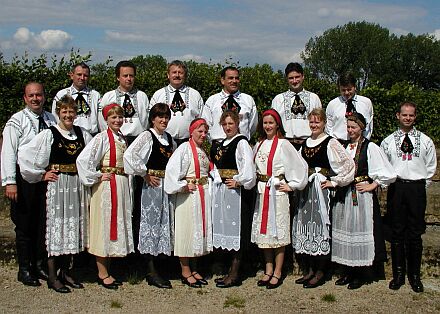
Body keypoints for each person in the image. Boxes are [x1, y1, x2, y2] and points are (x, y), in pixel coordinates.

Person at [19, 95, 92, 293]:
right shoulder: (49, 134)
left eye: (72, 111)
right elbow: (25, 155)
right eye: (65, 111)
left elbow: (91, 157)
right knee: (56, 228)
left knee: (74, 226)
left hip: (76, 185)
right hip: (58, 185)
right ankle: (52, 276)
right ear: (58, 112)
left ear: (76, 114)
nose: (68, 115)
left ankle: (67, 272)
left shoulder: (82, 133)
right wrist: (41, 174)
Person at [331, 113, 396, 289]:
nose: (350, 130)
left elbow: (387, 172)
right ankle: (347, 271)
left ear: (361, 127)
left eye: (354, 127)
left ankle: (360, 273)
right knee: (346, 230)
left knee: (359, 230)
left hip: (361, 195)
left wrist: (372, 185)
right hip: (345, 193)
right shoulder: (343, 147)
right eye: (348, 127)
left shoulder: (370, 147)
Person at [1, 82, 56, 286]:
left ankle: (39, 264)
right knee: (24, 224)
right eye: (31, 95)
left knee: (43, 222)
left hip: (46, 176)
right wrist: (10, 183)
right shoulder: (16, 121)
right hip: (24, 179)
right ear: (25, 98)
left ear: (44, 96)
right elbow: (8, 152)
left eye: (39, 95)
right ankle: (24, 268)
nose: (35, 99)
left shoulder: (51, 118)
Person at [292, 108, 354, 289]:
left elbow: (348, 165)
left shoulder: (330, 142)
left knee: (320, 228)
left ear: (324, 123)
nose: (314, 124)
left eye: (317, 121)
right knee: (307, 227)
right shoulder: (305, 143)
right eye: (311, 121)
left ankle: (321, 271)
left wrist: (334, 182)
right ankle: (309, 270)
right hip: (306, 190)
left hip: (320, 190)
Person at [381, 101, 437, 293]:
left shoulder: (426, 140)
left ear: (415, 117)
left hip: (416, 189)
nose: (407, 118)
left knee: (415, 233)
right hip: (397, 188)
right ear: (398, 115)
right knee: (397, 231)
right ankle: (398, 275)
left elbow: (431, 167)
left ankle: (414, 276)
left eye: (411, 115)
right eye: (404, 114)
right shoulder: (388, 142)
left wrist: (420, 185)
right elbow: (384, 166)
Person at [77, 103, 134, 290]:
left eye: (119, 117)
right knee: (104, 225)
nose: (117, 120)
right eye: (113, 118)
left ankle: (108, 268)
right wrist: (98, 175)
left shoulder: (122, 138)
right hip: (107, 187)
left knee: (115, 224)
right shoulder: (101, 138)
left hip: (121, 184)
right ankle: (102, 272)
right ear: (106, 120)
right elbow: (84, 160)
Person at [251, 109, 308, 289]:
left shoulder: (284, 145)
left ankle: (278, 271)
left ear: (277, 125)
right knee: (265, 233)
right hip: (262, 193)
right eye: (265, 123)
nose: (268, 126)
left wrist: (292, 185)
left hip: (277, 193)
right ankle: (268, 269)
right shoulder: (259, 144)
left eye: (271, 123)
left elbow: (300, 165)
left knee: (278, 232)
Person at [124, 103, 176, 289]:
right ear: (152, 119)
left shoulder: (170, 139)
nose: (163, 120)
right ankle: (149, 269)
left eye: (166, 117)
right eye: (159, 117)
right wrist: (144, 173)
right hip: (151, 188)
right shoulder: (147, 136)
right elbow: (130, 155)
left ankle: (161, 265)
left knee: (163, 224)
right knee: (150, 225)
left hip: (166, 188)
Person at [210, 110, 256, 288]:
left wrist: (239, 181)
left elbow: (248, 168)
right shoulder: (222, 144)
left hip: (237, 193)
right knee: (227, 228)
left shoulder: (241, 142)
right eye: (225, 124)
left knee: (239, 231)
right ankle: (229, 269)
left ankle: (235, 273)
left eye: (231, 123)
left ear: (237, 124)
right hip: (223, 192)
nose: (228, 127)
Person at [164, 118, 212, 288]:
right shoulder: (184, 149)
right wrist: (183, 186)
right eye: (200, 131)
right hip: (189, 196)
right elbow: (171, 173)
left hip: (202, 194)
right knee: (186, 231)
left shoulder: (203, 150)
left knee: (197, 231)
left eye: (205, 132)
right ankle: (185, 270)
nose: (203, 135)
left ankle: (194, 267)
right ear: (191, 132)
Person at [150, 60, 204, 146]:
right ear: (168, 75)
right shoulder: (158, 94)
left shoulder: (195, 95)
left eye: (180, 73)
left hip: (189, 142)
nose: (177, 75)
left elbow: (201, 120)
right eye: (174, 72)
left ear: (185, 75)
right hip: (163, 141)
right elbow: (151, 119)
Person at [271, 62, 322, 150]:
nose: (294, 81)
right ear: (286, 79)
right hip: (286, 144)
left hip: (309, 143)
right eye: (291, 78)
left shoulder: (314, 98)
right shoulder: (278, 99)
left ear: (303, 77)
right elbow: (273, 124)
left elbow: (321, 123)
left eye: (297, 77)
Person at [98, 60, 149, 144]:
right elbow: (102, 120)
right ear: (118, 77)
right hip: (115, 140)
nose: (129, 79)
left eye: (131, 76)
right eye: (125, 76)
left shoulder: (142, 96)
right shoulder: (108, 96)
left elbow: (146, 120)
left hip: (138, 140)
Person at [202, 66, 258, 143]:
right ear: (222, 80)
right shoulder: (212, 100)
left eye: (237, 78)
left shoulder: (248, 100)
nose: (234, 81)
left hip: (240, 145)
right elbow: (206, 125)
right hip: (218, 145)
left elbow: (253, 126)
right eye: (230, 78)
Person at [52, 62, 101, 135]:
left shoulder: (95, 95)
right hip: (68, 135)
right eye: (79, 74)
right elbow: (55, 117)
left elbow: (101, 119)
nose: (82, 78)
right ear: (72, 75)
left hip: (92, 136)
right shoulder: (61, 94)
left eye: (85, 75)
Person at [326, 72, 373, 141]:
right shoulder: (332, 104)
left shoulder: (366, 103)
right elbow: (328, 128)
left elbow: (369, 126)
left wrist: (363, 144)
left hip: (360, 144)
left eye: (349, 89)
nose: (346, 93)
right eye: (343, 90)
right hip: (338, 144)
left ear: (355, 87)